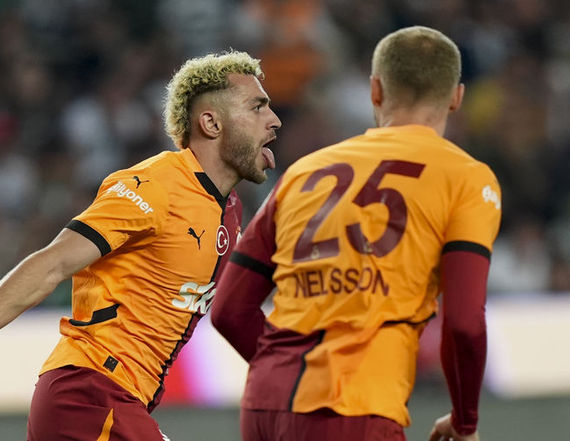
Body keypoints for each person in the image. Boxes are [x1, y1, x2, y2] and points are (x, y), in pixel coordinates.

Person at [0, 50, 281, 441]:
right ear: (211, 123)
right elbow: (55, 263)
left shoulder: (229, 212)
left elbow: (235, 303)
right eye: (257, 106)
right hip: (88, 393)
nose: (274, 119)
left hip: (112, 400)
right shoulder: (155, 186)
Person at [211, 26, 501, 441]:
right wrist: (464, 420)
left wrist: (281, 373)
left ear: (375, 91)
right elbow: (464, 323)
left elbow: (228, 310)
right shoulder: (467, 177)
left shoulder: (303, 172)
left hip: (263, 407)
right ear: (456, 97)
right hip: (355, 406)